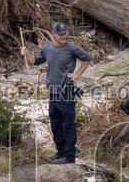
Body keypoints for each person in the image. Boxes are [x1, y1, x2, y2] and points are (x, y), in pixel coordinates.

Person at [20, 22, 91, 164]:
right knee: (55, 124)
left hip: (66, 92)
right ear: (53, 34)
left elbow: (87, 58)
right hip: (53, 92)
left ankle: (69, 156)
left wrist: (76, 74)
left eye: (65, 33)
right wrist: (26, 53)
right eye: (61, 34)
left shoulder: (71, 48)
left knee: (67, 125)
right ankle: (60, 153)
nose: (64, 36)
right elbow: (35, 61)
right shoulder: (47, 48)